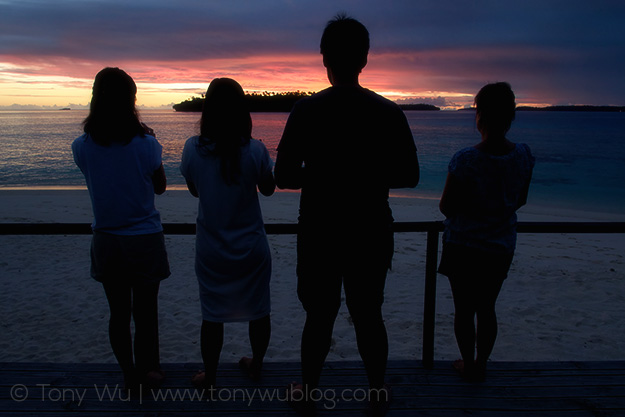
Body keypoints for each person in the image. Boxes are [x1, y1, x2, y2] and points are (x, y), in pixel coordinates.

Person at [275, 14, 419, 415]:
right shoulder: (387, 112)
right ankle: (375, 390)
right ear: (364, 60)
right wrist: (366, 173)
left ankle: (307, 390)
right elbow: (410, 174)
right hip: (371, 228)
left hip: (320, 229)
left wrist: (323, 172)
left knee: (319, 315)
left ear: (325, 59)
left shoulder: (306, 111)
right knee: (369, 313)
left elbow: (284, 175)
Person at [72, 67, 170, 392]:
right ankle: (150, 370)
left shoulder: (82, 147)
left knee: (118, 314)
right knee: (145, 313)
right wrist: (149, 137)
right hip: (143, 238)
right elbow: (160, 188)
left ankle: (129, 374)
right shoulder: (147, 145)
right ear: (132, 100)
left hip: (107, 239)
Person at [180, 78, 275, 388]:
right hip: (251, 247)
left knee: (212, 315)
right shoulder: (255, 150)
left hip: (211, 248)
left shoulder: (193, 149)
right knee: (259, 311)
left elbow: (195, 191)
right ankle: (257, 364)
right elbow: (269, 189)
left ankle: (211, 375)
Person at [438, 82, 535, 382]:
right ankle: (481, 364)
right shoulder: (522, 156)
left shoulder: (466, 159)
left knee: (464, 310)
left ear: (480, 115)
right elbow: (521, 199)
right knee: (487, 308)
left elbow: (446, 207)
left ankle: (469, 363)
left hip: (463, 245)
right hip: (500, 245)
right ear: (511, 116)